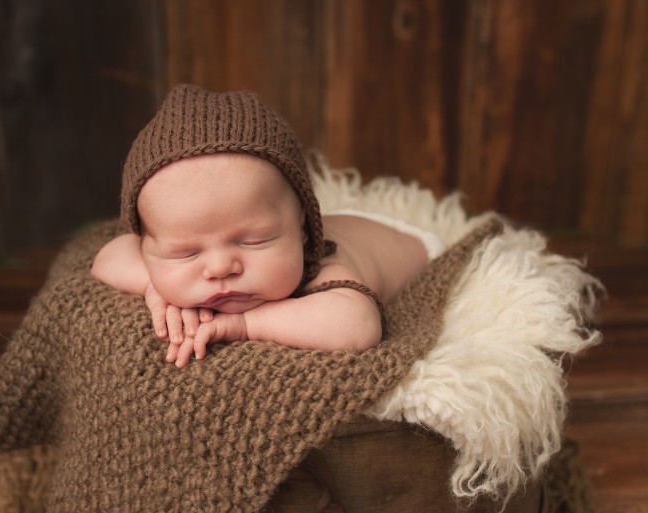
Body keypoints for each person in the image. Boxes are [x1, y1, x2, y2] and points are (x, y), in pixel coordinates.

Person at [92, 84, 441, 367]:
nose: (219, 267)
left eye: (254, 241)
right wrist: (156, 289)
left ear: (303, 230)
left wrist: (244, 325)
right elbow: (108, 257)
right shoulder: (160, 253)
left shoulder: (320, 265)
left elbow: (358, 325)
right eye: (185, 253)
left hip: (411, 242)